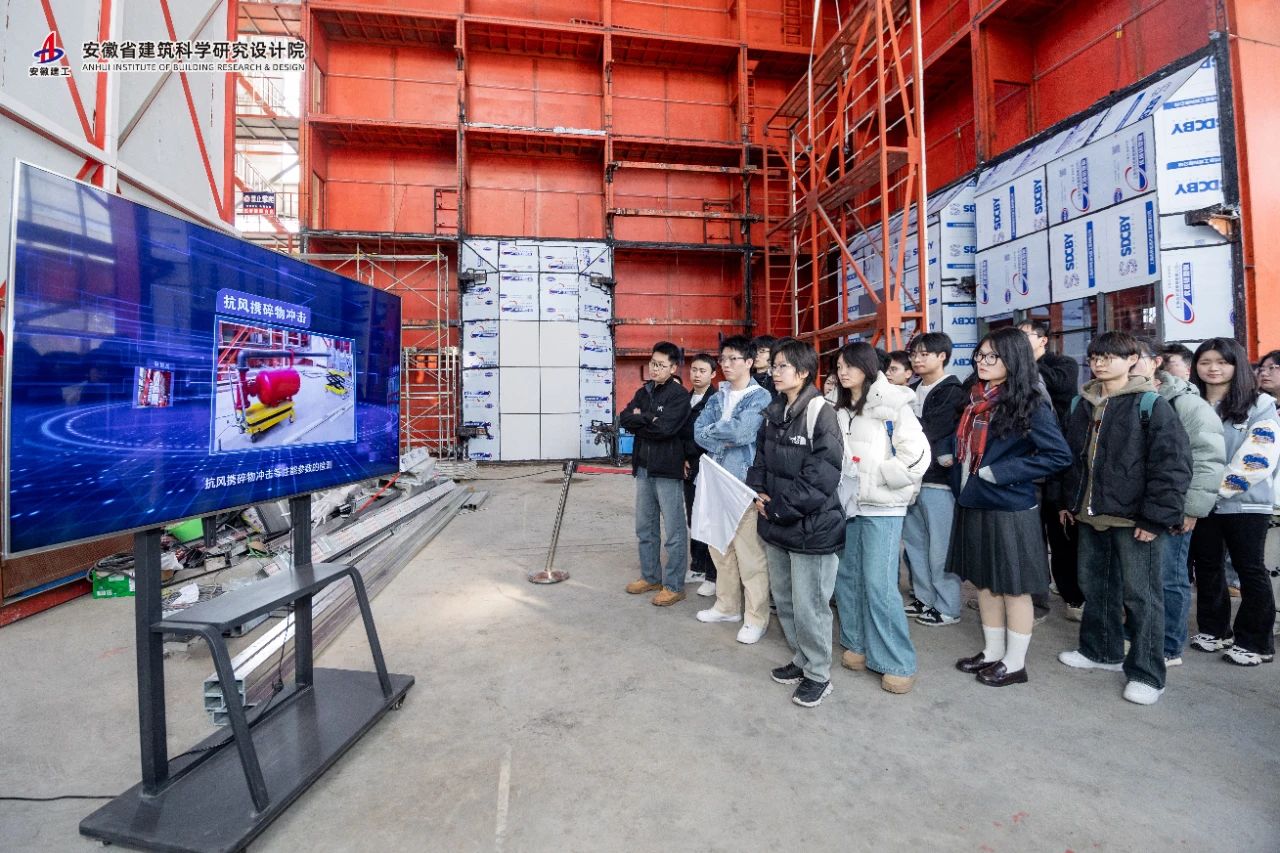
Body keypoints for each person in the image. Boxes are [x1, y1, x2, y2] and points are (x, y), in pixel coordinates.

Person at [1056, 332, 1192, 706]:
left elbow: (1172, 466)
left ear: (1132, 359)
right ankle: (1101, 651)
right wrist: (1067, 501)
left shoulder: (1150, 404)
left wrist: (1154, 519)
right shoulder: (1082, 403)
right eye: (1095, 357)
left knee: (1142, 597)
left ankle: (1148, 674)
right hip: (1090, 514)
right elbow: (1071, 459)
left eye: (1110, 356)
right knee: (1096, 586)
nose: (1100, 363)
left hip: (1135, 520)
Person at [945, 328, 1072, 687]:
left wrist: (1002, 472)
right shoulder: (974, 399)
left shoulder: (1029, 401)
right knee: (985, 583)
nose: (982, 362)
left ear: (1013, 359)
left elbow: (1058, 455)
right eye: (980, 355)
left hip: (1009, 506)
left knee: (1014, 587)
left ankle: (1015, 663)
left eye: (992, 357)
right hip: (974, 500)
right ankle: (992, 651)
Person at [747, 339, 845, 707]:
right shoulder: (774, 411)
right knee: (786, 600)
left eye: (782, 366)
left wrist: (778, 509)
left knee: (810, 606)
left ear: (803, 372)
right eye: (773, 365)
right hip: (777, 521)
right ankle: (802, 659)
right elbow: (760, 459)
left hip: (811, 527)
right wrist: (758, 492)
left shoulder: (821, 412)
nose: (774, 372)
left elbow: (821, 475)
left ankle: (819, 674)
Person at [831, 342, 931, 694]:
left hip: (883, 507)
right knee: (847, 577)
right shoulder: (839, 406)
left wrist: (883, 478)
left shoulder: (893, 403)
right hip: (849, 505)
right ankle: (856, 643)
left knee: (879, 583)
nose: (843, 372)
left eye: (850, 365)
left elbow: (917, 455)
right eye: (839, 366)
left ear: (867, 366)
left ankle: (896, 661)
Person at [1128, 337, 1226, 666]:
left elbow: (1207, 459)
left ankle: (1169, 645)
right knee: (1140, 578)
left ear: (1156, 361)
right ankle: (1140, 634)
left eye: (1136, 357)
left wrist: (1191, 509)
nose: (1129, 363)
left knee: (1168, 577)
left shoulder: (1184, 403)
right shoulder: (1124, 397)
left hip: (1174, 508)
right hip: (1136, 508)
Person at [1187, 337, 1279, 666]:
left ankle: (1256, 642)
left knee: (1249, 568)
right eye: (1205, 362)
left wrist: (1211, 490)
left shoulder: (1260, 404)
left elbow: (1257, 458)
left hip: (1245, 502)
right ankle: (1215, 630)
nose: (1213, 368)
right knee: (1207, 567)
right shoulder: (1190, 402)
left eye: (1222, 362)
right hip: (1201, 502)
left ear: (1237, 365)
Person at [693, 336, 774, 642]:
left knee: (750, 556)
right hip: (714, 482)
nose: (725, 365)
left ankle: (756, 618)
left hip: (742, 485)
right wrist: (722, 436)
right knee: (719, 549)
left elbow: (743, 433)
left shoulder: (759, 397)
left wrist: (717, 433)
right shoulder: (718, 397)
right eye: (723, 359)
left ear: (749, 362)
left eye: (733, 359)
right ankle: (727, 606)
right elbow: (698, 433)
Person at [902, 332, 969, 627]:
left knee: (940, 548)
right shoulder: (912, 389)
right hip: (910, 479)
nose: (917, 359)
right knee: (915, 544)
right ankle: (924, 598)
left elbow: (930, 430)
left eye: (924, 354)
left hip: (938, 481)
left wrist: (904, 429)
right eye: (914, 354)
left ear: (942, 356)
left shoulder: (953, 392)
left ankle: (948, 606)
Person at [1019, 320, 1082, 623]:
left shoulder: (1063, 364)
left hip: (1058, 465)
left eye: (1025, 336)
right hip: (1029, 469)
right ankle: (1035, 600)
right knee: (1031, 541)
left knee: (1062, 539)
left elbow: (1060, 385)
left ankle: (1074, 597)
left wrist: (1023, 364)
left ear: (1043, 340)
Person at [620, 342, 692, 606]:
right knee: (645, 526)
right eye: (652, 363)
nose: (654, 368)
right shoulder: (644, 391)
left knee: (674, 531)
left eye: (661, 365)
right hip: (643, 467)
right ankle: (650, 577)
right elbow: (625, 418)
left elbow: (665, 430)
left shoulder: (679, 395)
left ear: (673, 368)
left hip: (667, 470)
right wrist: (649, 419)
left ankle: (674, 585)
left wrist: (643, 419)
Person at [682, 353, 718, 597]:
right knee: (693, 517)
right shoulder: (685, 398)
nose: (696, 374)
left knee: (708, 519)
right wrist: (682, 457)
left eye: (702, 370)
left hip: (707, 465)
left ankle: (712, 573)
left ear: (713, 374)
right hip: (687, 465)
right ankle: (697, 566)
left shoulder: (715, 401)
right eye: (694, 369)